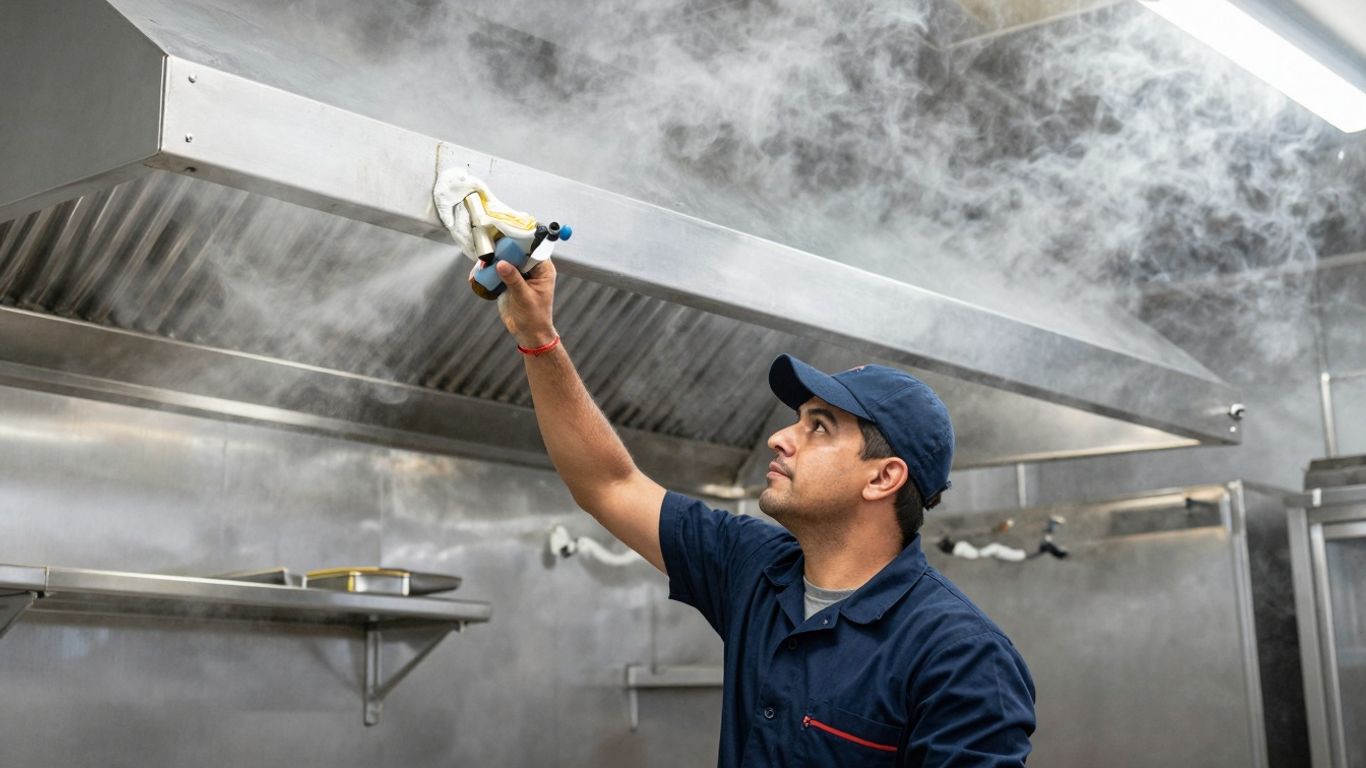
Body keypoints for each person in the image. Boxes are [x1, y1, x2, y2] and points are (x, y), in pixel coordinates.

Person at [492, 257, 1036, 766]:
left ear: (883, 477)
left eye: (818, 427)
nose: (779, 438)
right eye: (796, 420)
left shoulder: (962, 658)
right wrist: (538, 338)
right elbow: (608, 484)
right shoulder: (754, 567)